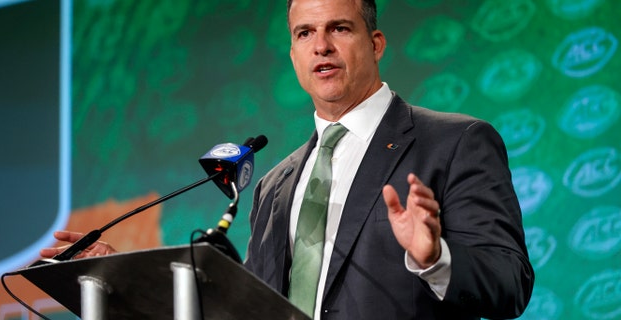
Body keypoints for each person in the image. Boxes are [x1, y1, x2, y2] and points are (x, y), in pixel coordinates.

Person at [42, 0, 535, 319]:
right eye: (304, 33)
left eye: (339, 28)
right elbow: (247, 309)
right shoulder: (275, 183)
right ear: (295, 55)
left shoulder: (455, 142)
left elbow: (510, 284)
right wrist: (125, 276)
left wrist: (434, 258)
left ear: (376, 43)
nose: (321, 45)